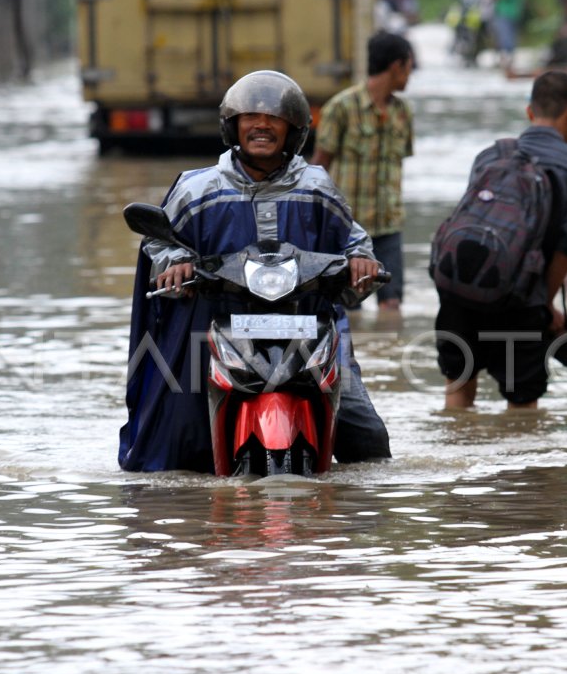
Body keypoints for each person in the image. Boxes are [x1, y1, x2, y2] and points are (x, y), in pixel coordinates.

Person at [119, 70, 391, 472]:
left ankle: (354, 528)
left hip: (308, 328)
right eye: (250, 117)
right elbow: (161, 240)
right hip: (221, 331)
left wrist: (361, 262)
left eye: (274, 118)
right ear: (233, 126)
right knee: (171, 449)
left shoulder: (317, 188)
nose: (261, 125)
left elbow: (351, 238)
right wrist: (173, 263)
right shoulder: (199, 190)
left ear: (293, 129)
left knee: (367, 440)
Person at [435, 71, 567, 410]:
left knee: (459, 386)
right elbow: (564, 250)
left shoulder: (491, 155)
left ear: (530, 112)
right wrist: (545, 306)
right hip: (520, 302)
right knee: (522, 406)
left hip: (460, 290)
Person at [312, 32, 415, 313]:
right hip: (348, 230)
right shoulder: (341, 108)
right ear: (397, 67)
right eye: (409, 67)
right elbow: (318, 169)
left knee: (392, 307)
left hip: (388, 226)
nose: (410, 75)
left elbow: (399, 166)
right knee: (347, 308)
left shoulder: (403, 112)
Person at [492, 0, 524, 74]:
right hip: (515, 9)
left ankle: (507, 61)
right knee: (511, 34)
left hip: (504, 9)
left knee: (505, 35)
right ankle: (510, 60)